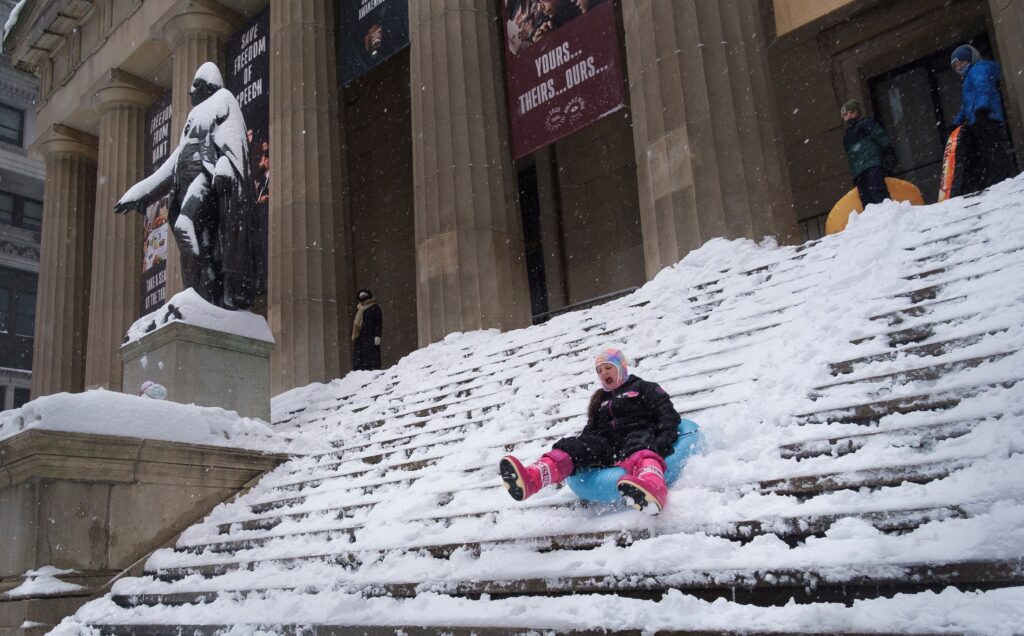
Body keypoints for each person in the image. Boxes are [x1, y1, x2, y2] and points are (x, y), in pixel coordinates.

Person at [499, 348, 680, 514]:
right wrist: (579, 449)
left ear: (622, 367)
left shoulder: (644, 388)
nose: (604, 373)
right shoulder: (600, 400)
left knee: (639, 445)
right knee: (573, 445)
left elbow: (667, 414)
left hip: (638, 432)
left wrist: (663, 440)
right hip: (607, 444)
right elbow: (591, 430)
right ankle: (532, 479)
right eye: (599, 370)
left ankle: (653, 488)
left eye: (608, 367)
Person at [950, 44, 1015, 195]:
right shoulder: (969, 76)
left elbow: (982, 88)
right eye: (955, 66)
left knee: (991, 148)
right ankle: (991, 179)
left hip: (987, 117)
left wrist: (982, 109)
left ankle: (1003, 178)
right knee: (984, 150)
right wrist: (957, 122)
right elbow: (967, 105)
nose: (959, 67)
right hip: (978, 120)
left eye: (961, 63)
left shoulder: (978, 69)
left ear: (969, 60)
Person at [841, 99, 895, 206]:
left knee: (878, 193)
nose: (848, 116)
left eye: (851, 112)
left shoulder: (865, 123)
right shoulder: (846, 137)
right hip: (859, 172)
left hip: (872, 164)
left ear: (857, 112)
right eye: (846, 114)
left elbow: (879, 135)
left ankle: (887, 213)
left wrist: (889, 151)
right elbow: (851, 158)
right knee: (867, 201)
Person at [351, 288, 383, 371]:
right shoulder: (359, 310)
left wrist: (377, 335)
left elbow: (378, 323)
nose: (363, 298)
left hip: (370, 336)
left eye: (364, 296)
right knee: (359, 357)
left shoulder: (375, 308)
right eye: (361, 296)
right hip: (360, 337)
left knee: (371, 357)